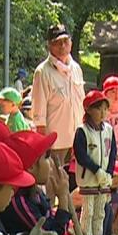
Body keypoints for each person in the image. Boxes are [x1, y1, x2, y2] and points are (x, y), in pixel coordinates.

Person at [30, 24, 86, 163]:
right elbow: (39, 115)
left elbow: (83, 105)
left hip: (78, 141)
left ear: (71, 43)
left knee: (77, 183)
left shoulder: (76, 69)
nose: (62, 46)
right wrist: (43, 145)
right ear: (49, 45)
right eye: (57, 43)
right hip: (55, 144)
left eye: (65, 41)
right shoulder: (42, 72)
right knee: (55, 182)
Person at [73, 90, 117, 235]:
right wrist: (96, 170)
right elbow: (81, 155)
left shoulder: (109, 130)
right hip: (89, 179)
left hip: (104, 179)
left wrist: (109, 173)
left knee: (101, 211)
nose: (102, 113)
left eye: (105, 109)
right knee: (88, 211)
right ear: (89, 110)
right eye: (98, 109)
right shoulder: (82, 131)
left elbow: (112, 153)